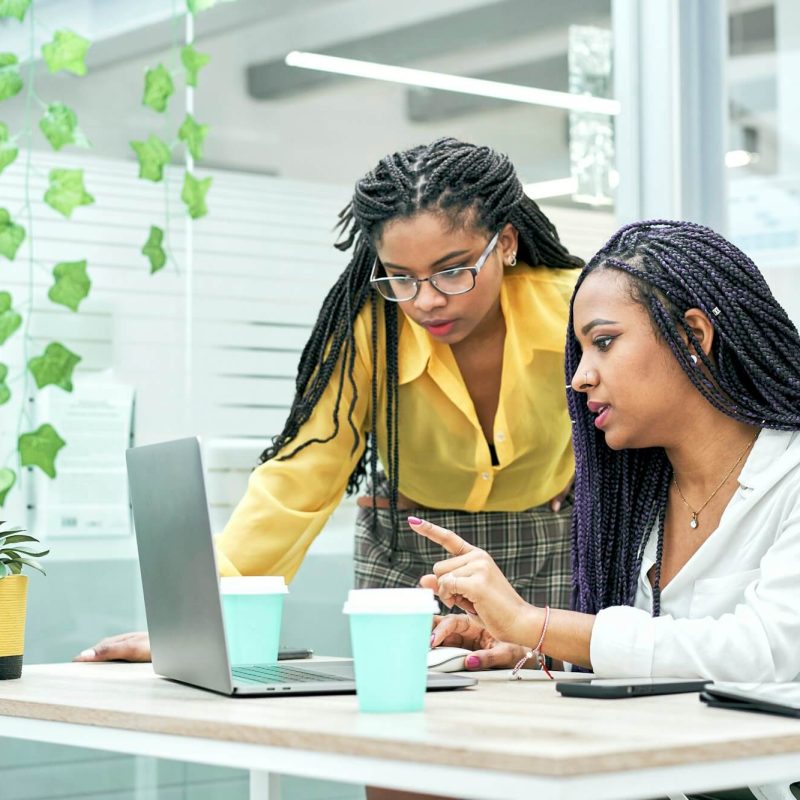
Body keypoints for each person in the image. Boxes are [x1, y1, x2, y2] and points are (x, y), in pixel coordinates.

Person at [76, 137, 583, 664]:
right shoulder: (370, 329)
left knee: (552, 722)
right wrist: (201, 619)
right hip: (410, 548)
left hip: (551, 539)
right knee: (402, 721)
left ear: (504, 242)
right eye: (401, 278)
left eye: (453, 270)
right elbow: (302, 475)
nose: (426, 300)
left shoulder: (575, 308)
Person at [409, 219, 800, 800]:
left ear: (694, 335)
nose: (579, 375)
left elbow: (765, 653)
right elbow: (659, 662)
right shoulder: (636, 504)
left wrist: (540, 624)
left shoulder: (790, 475)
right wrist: (532, 649)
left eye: (605, 342)